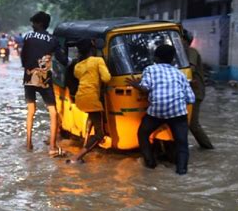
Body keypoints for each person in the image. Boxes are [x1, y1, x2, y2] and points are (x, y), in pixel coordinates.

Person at [126, 44, 195, 175]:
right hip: (178, 113)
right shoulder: (179, 73)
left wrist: (136, 85)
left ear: (156, 58)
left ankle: (150, 164)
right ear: (173, 59)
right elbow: (191, 98)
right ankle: (182, 172)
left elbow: (145, 88)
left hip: (157, 111)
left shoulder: (150, 69)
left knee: (143, 133)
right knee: (182, 143)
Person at [21, 11, 68, 156]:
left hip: (28, 78)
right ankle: (53, 147)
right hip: (44, 80)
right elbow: (62, 59)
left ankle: (29, 144)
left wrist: (27, 67)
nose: (32, 25)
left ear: (39, 23)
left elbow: (23, 56)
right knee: (53, 112)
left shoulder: (27, 37)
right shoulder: (52, 40)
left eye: (34, 23)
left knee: (31, 111)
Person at [66, 38, 111, 164]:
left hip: (80, 98)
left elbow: (79, 77)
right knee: (100, 134)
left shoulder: (78, 66)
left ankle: (85, 143)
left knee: (92, 119)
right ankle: (77, 157)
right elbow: (107, 78)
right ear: (93, 49)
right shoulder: (98, 61)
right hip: (92, 99)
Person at [183, 29, 214, 149]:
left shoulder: (191, 51)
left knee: (192, 124)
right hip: (189, 92)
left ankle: (208, 148)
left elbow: (191, 69)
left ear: (186, 41)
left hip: (195, 92)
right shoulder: (181, 54)